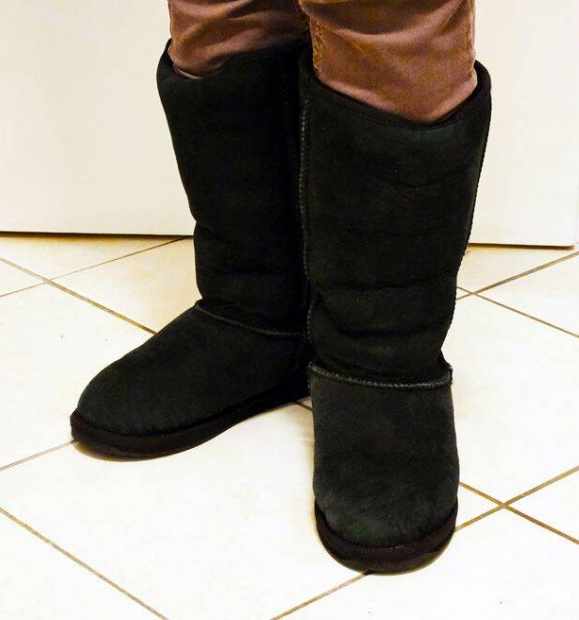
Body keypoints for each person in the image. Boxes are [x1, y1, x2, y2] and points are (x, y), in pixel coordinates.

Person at [70, 0, 491, 573]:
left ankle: (381, 359)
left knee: (387, 22)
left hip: (386, 353)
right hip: (248, 311)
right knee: (219, 17)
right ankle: (255, 318)